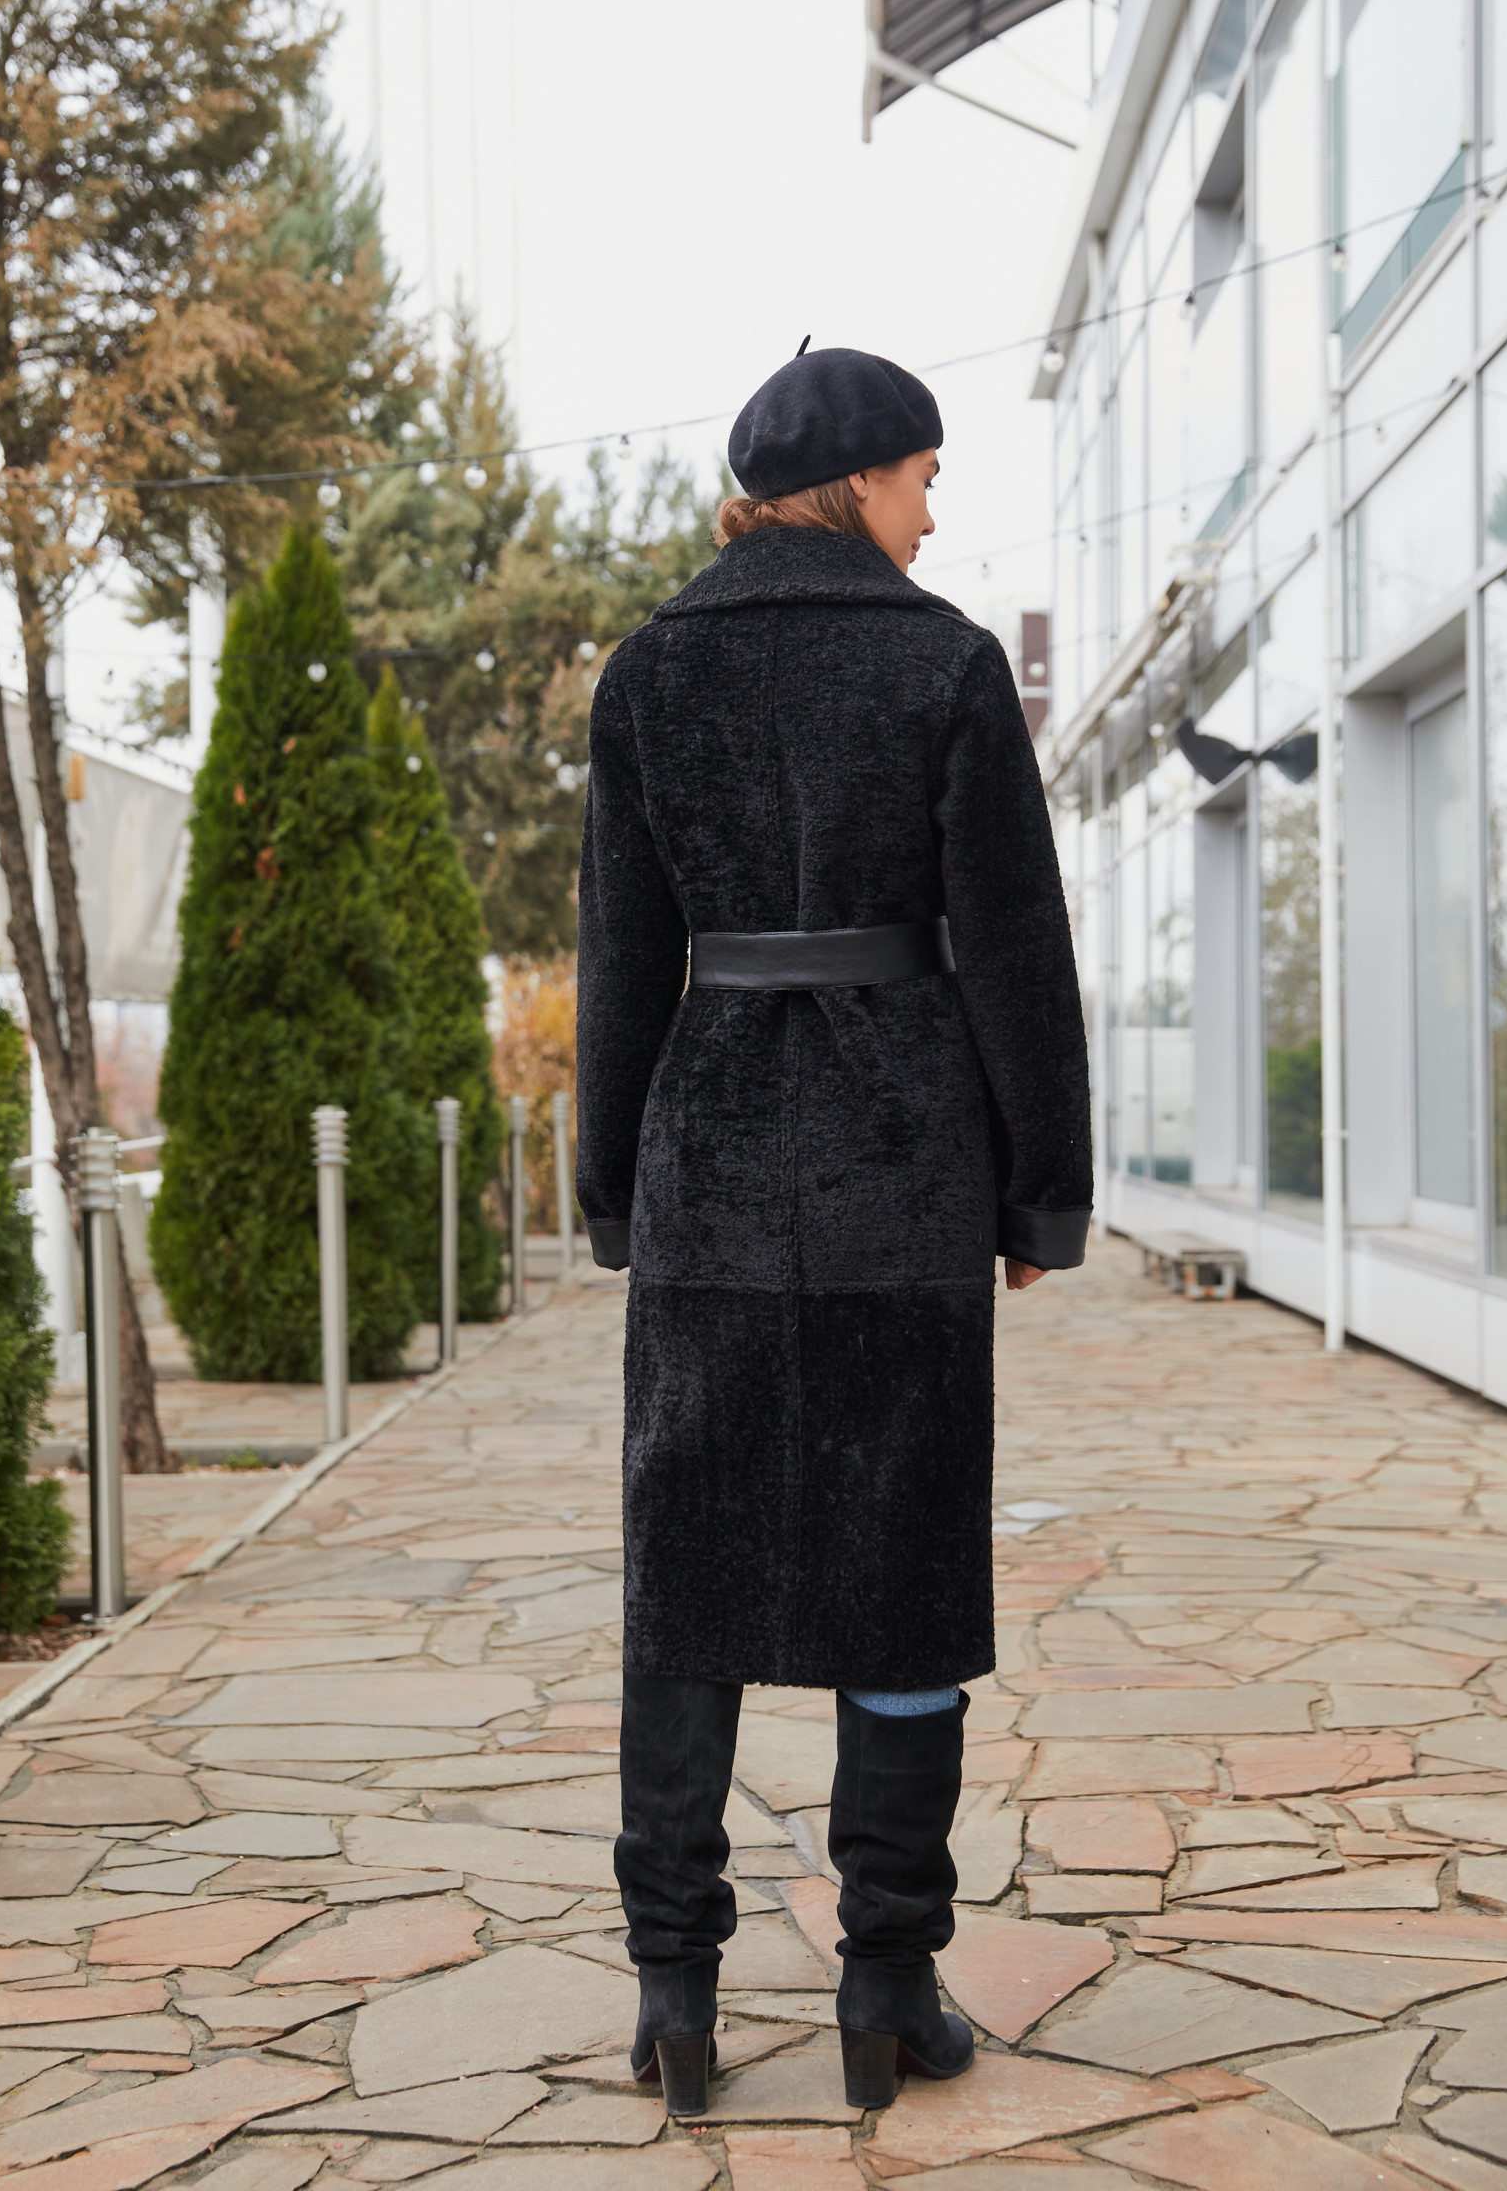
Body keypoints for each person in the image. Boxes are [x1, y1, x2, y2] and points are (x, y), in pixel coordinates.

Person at [574, 342, 1092, 2117]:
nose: (933, 513)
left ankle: (676, 1993)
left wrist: (613, 1189)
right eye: (926, 478)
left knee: (686, 1582)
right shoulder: (945, 664)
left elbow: (621, 953)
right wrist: (1039, 1186)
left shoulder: (651, 669)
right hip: (904, 1161)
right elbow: (1014, 947)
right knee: (906, 1577)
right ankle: (886, 1983)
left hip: (713, 1153)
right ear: (862, 476)